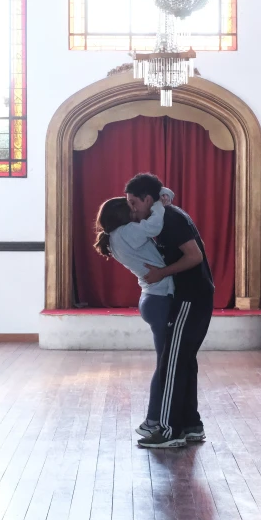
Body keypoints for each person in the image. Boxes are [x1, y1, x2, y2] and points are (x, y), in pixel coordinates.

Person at [125, 173, 214, 449]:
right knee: (183, 361)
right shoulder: (162, 215)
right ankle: (190, 426)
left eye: (132, 203)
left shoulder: (171, 220)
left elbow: (194, 256)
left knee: (172, 364)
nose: (131, 209)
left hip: (190, 298)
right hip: (193, 296)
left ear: (146, 200)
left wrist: (161, 273)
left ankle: (168, 430)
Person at [92, 187, 174, 437]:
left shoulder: (118, 236)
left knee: (166, 363)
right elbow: (155, 225)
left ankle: (159, 418)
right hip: (159, 298)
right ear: (122, 215)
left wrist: (160, 195)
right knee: (165, 366)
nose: (136, 209)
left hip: (153, 297)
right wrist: (158, 204)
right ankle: (152, 422)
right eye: (130, 207)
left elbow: (165, 197)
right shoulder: (126, 232)